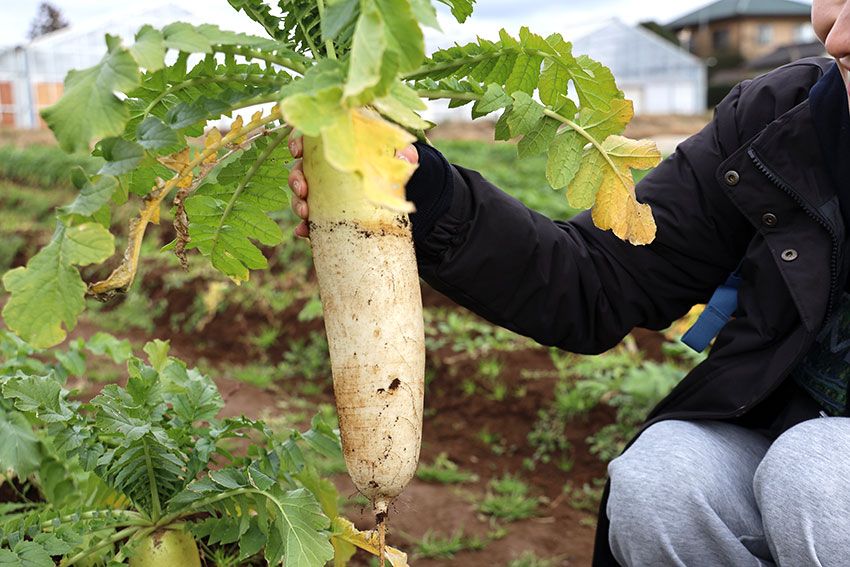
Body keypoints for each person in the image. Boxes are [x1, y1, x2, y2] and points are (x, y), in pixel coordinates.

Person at [287, 1, 850, 564]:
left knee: (813, 471)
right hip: (787, 429)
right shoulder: (781, 120)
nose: (839, 34)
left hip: (812, 466)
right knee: (662, 482)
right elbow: (602, 278)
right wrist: (422, 191)